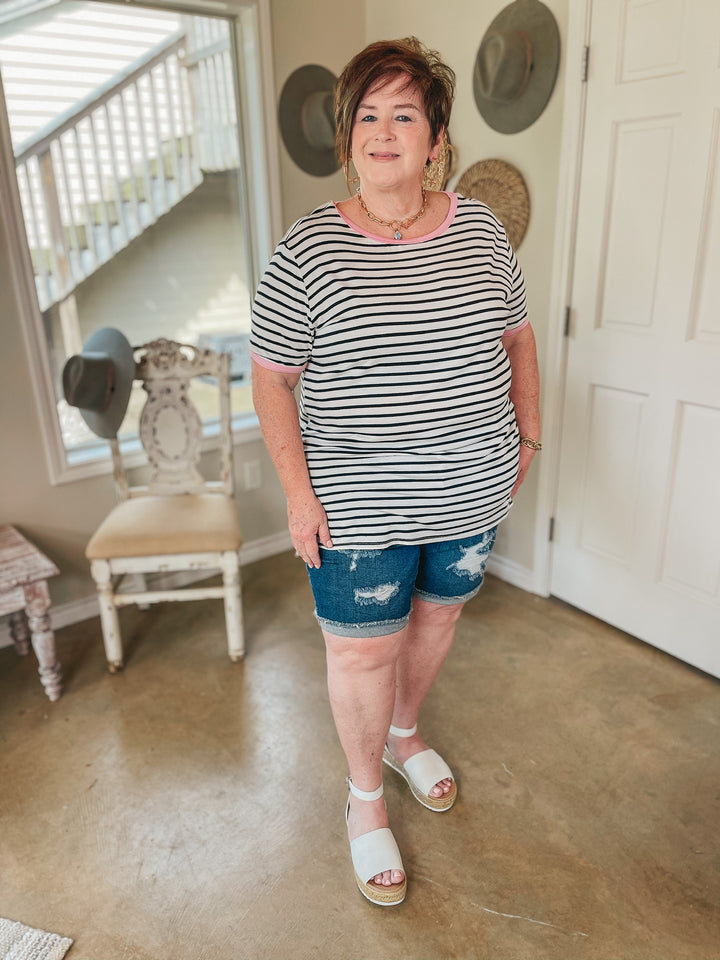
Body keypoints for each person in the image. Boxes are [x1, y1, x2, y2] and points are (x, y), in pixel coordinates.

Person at [250, 37, 540, 907]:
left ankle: (405, 738)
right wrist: (299, 496)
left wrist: (525, 439)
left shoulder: (483, 230)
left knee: (436, 628)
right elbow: (271, 377)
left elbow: (517, 335)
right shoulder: (307, 250)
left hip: (470, 493)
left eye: (403, 114)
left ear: (435, 137)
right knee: (363, 658)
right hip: (357, 512)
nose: (384, 132)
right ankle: (364, 797)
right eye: (367, 116)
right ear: (349, 140)